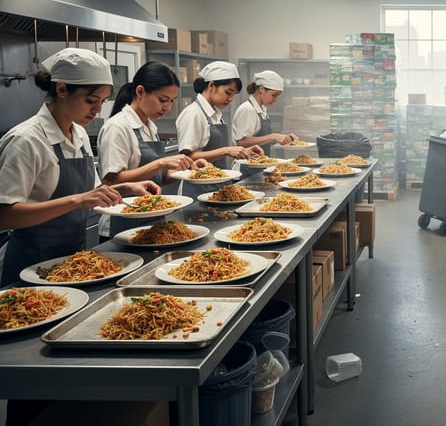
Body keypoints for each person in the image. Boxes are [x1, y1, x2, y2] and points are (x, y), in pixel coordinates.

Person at [0, 48, 160, 285]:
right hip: (31, 267)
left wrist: (128, 187)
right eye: (90, 100)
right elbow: (4, 215)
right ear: (62, 89)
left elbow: (94, 193)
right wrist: (77, 200)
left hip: (74, 264)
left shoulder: (80, 135)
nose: (97, 110)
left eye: (103, 102)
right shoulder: (27, 140)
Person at [98, 61, 205, 236]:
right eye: (162, 100)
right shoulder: (118, 127)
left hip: (152, 218)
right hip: (123, 221)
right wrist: (160, 163)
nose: (167, 107)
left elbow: (160, 177)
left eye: (170, 101)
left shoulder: (149, 126)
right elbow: (112, 181)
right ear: (140, 92)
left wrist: (190, 170)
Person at [175, 61, 262, 196]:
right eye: (228, 92)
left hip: (217, 185)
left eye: (234, 94)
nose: (231, 99)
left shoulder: (215, 114)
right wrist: (226, 150)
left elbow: (217, 150)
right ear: (211, 85)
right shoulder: (193, 114)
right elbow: (186, 157)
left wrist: (243, 151)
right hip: (198, 188)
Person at [232, 70, 298, 175]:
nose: (276, 99)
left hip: (259, 167)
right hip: (247, 170)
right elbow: (241, 142)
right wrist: (273, 136)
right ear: (262, 89)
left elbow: (262, 138)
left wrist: (283, 138)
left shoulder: (262, 110)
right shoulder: (247, 109)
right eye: (274, 95)